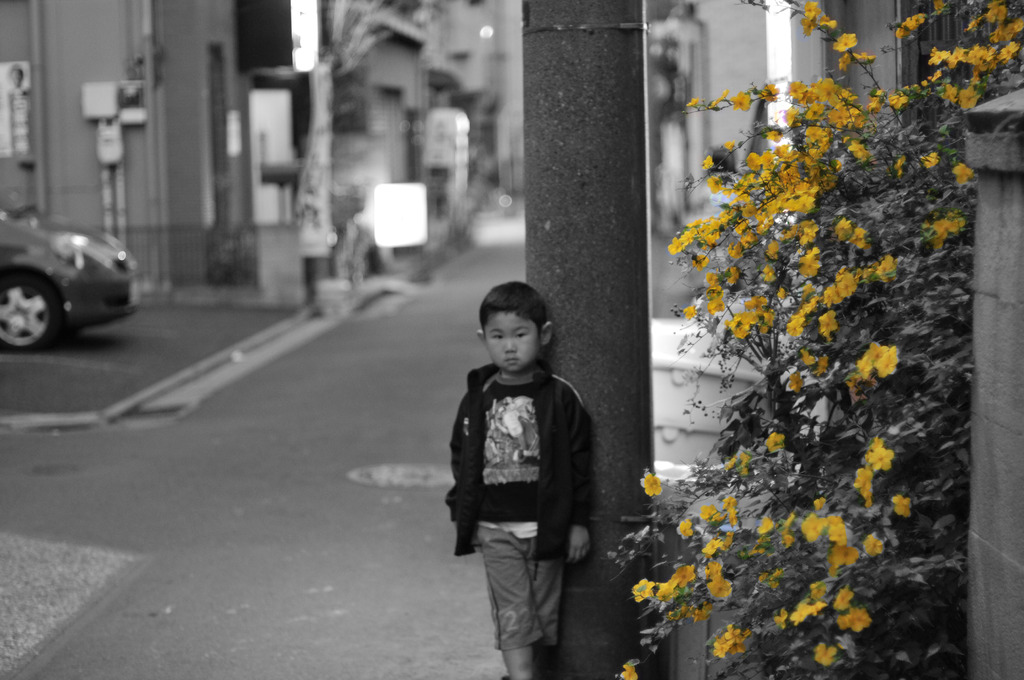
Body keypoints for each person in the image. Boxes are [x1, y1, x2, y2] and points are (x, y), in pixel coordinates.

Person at [445, 281, 592, 680]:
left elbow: (580, 462)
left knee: (540, 617)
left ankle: (527, 673)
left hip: (549, 529)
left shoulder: (560, 397)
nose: (509, 346)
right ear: (484, 339)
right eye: (498, 336)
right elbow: (463, 456)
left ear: (543, 335)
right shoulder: (478, 396)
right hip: (495, 529)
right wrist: (465, 513)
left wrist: (578, 521)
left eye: (520, 334)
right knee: (513, 613)